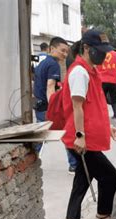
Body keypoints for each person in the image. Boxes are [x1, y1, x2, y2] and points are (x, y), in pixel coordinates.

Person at [61, 29, 116, 219]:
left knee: (83, 177)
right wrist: (80, 136)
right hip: (81, 140)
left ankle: (72, 218)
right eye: (100, 51)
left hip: (86, 137)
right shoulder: (79, 72)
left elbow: (93, 106)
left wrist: (108, 126)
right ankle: (103, 213)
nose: (104, 55)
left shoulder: (90, 71)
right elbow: (77, 106)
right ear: (86, 48)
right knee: (110, 176)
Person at [33, 37, 77, 173]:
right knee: (67, 132)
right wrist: (55, 108)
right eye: (62, 51)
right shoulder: (53, 64)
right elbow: (50, 85)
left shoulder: (42, 63)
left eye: (66, 52)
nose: (64, 54)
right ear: (52, 48)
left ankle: (30, 160)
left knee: (41, 136)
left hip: (39, 105)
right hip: (47, 107)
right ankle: (74, 165)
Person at [97, 49, 116, 126]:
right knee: (115, 99)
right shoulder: (115, 54)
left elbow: (95, 66)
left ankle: (102, 117)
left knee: (101, 99)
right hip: (113, 80)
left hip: (102, 81)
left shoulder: (99, 53)